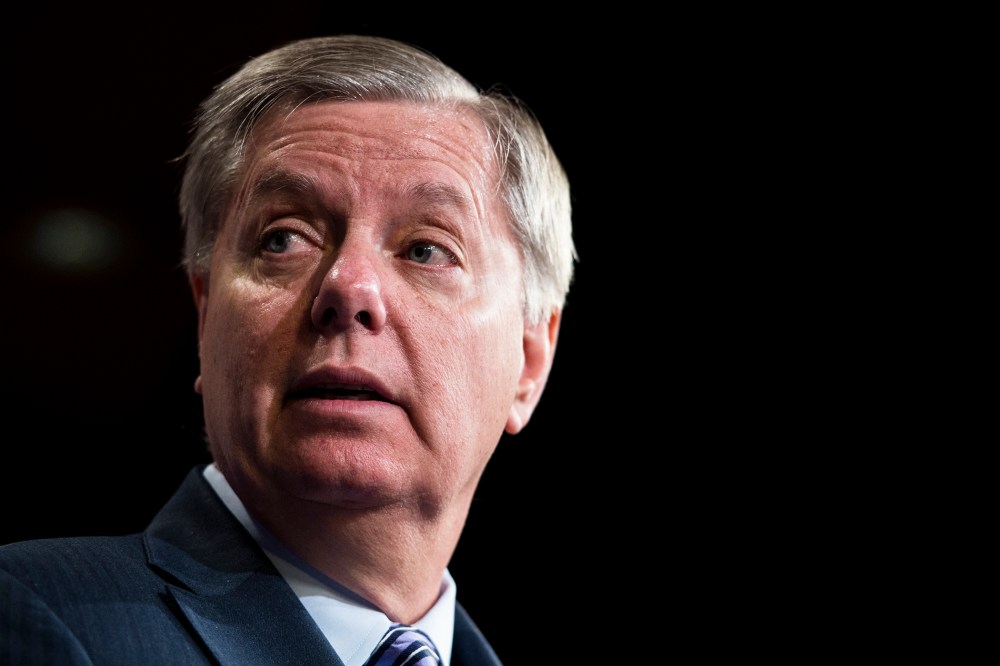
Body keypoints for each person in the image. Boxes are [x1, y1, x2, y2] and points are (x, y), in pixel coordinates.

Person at [0, 34, 575, 665]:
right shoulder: (37, 617)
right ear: (205, 315)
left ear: (528, 362)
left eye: (426, 250)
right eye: (284, 239)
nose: (348, 287)